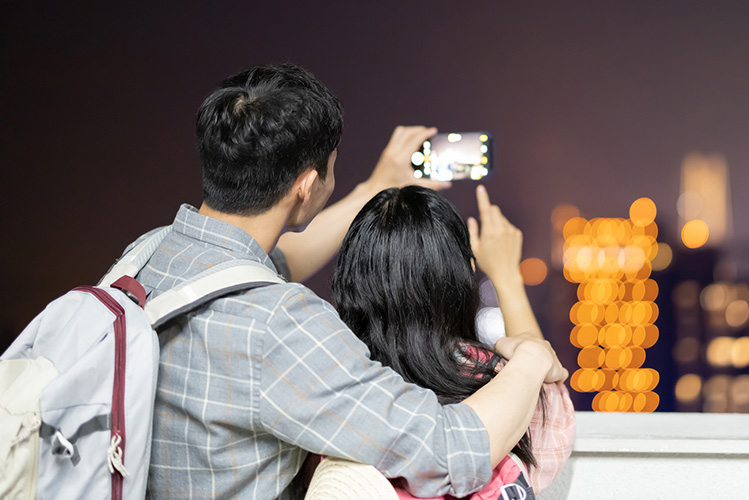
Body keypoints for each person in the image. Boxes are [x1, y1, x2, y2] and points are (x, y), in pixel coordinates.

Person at [119, 63, 565, 500]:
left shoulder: (151, 256)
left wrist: (377, 185)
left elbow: (277, 257)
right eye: (332, 168)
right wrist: (529, 359)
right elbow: (450, 450)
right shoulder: (279, 324)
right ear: (307, 184)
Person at [327, 185, 575, 498]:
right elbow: (545, 394)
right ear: (465, 276)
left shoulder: (332, 389)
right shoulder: (503, 382)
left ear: (349, 281)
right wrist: (507, 277)